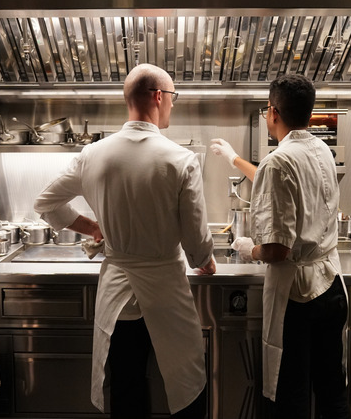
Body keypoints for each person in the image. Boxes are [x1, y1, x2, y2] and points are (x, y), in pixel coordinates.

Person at [34, 63, 216, 419]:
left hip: (118, 292)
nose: (173, 106)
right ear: (159, 97)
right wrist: (203, 258)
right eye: (173, 97)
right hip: (166, 290)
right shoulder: (181, 159)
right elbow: (196, 240)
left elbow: (45, 203)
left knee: (127, 386)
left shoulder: (94, 154)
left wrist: (92, 228)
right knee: (187, 385)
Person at [210, 74, 350, 418]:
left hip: (298, 298)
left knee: (291, 396)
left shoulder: (279, 161)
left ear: (272, 112)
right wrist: (234, 159)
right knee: (332, 391)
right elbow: (278, 180)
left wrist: (247, 249)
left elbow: (276, 251)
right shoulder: (320, 149)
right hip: (331, 287)